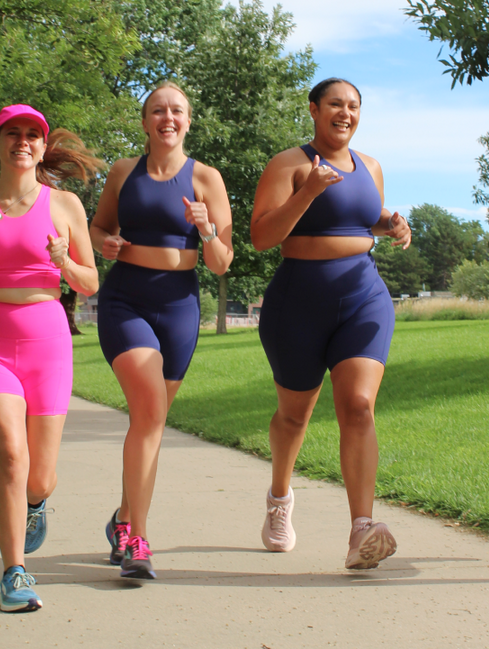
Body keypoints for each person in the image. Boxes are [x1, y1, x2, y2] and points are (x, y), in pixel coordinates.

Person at [0, 104, 100, 612]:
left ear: (42, 146)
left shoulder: (66, 205)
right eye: (13, 133)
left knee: (39, 475)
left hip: (47, 342)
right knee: (10, 455)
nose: (22, 142)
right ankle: (15, 574)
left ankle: (36, 503)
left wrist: (65, 260)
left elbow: (90, 282)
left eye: (32, 134)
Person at [250, 77, 411, 569]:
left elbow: (362, 218)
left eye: (354, 106)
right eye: (336, 105)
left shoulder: (372, 166)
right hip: (298, 301)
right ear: (315, 110)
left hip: (363, 295)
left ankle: (361, 530)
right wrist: (308, 192)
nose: (346, 113)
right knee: (294, 416)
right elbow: (261, 236)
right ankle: (280, 497)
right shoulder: (289, 165)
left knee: (359, 405)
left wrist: (391, 224)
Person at [90, 82, 233, 580]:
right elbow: (97, 227)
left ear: (189, 121)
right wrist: (105, 242)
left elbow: (221, 263)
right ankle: (137, 542)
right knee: (149, 412)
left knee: (150, 422)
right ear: (145, 121)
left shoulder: (207, 179)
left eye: (177, 111)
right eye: (157, 110)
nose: (167, 117)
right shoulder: (123, 172)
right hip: (125, 300)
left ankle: (122, 518)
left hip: (179, 308)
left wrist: (207, 228)